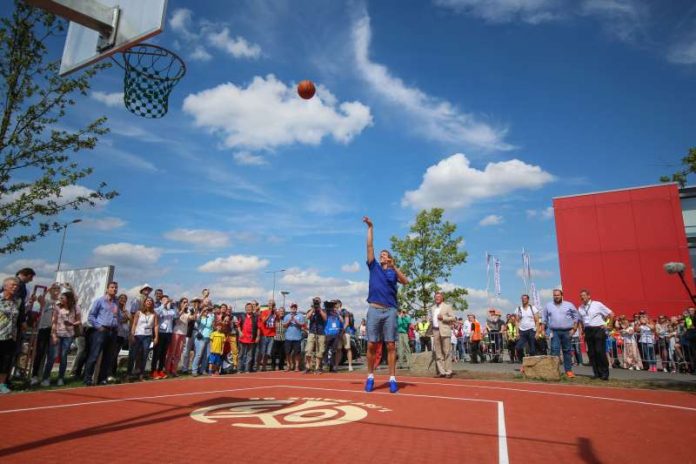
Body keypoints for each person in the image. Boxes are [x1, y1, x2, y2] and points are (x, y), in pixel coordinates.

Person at [363, 216, 409, 394]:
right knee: (371, 345)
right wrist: (370, 227)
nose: (382, 256)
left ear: (389, 259)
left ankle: (392, 379)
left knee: (391, 345)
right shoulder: (373, 266)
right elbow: (369, 246)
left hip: (390, 310)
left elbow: (405, 281)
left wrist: (394, 266)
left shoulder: (392, 271)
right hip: (374, 309)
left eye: (385, 255)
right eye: (381, 255)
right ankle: (370, 376)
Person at [84, 281, 122, 386]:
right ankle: (87, 378)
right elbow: (91, 316)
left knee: (108, 357)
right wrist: (98, 326)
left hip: (113, 331)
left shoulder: (116, 303)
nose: (114, 289)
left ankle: (102, 378)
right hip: (101, 331)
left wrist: (118, 325)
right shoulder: (100, 301)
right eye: (112, 287)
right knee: (94, 355)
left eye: (116, 287)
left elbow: (118, 316)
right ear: (107, 289)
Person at [42, 288, 81, 386]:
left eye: (63, 298)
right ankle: (46, 378)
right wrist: (54, 335)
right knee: (52, 356)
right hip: (57, 334)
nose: (61, 299)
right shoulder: (57, 307)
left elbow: (79, 320)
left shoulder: (75, 308)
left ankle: (61, 378)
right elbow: (54, 322)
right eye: (61, 298)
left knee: (63, 357)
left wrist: (72, 323)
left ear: (68, 299)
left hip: (68, 335)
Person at [541, 289, 578, 379]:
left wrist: (574, 329)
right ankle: (555, 371)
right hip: (554, 332)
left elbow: (576, 317)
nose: (556, 297)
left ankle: (568, 371)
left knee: (567, 351)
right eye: (554, 295)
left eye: (558, 295)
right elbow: (544, 318)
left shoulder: (569, 305)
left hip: (567, 331)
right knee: (554, 351)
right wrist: (542, 330)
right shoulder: (548, 306)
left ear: (562, 295)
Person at [578, 289, 613, 380]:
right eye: (581, 296)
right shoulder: (580, 307)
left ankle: (605, 373)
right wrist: (582, 330)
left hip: (598, 329)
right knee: (592, 353)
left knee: (599, 351)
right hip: (588, 330)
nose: (582, 297)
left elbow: (611, 314)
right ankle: (596, 373)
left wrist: (608, 325)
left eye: (584, 295)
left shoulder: (597, 304)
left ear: (589, 296)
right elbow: (581, 320)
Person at [30, 283, 59, 386]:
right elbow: (40, 298)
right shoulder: (47, 302)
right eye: (54, 290)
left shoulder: (60, 302)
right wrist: (49, 288)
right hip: (44, 329)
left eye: (57, 290)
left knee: (52, 355)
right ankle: (35, 376)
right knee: (40, 353)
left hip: (55, 331)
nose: (56, 291)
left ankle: (46, 377)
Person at [0, 277, 22, 394]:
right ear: (5, 286)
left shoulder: (16, 301)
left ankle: (2, 385)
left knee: (6, 361)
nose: (15, 287)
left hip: (10, 336)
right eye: (12, 285)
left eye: (16, 286)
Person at [130, 296, 158, 381]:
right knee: (133, 354)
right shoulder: (139, 313)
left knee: (145, 355)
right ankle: (129, 374)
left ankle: (141, 374)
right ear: (144, 302)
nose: (149, 302)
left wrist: (156, 337)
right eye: (147, 301)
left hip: (148, 336)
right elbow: (134, 324)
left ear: (152, 303)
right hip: (138, 335)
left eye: (150, 301)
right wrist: (132, 334)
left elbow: (156, 326)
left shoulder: (154, 314)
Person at [127, 284, 152, 377]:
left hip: (145, 330)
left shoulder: (149, 300)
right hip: (136, 328)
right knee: (133, 351)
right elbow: (133, 313)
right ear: (142, 290)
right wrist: (133, 329)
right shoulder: (137, 299)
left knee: (142, 352)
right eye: (145, 289)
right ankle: (129, 372)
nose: (147, 290)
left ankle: (137, 370)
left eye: (149, 289)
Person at [430, 292, 456, 378]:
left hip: (445, 331)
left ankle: (448, 371)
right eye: (435, 297)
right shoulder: (432, 308)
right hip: (435, 331)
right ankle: (442, 371)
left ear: (442, 298)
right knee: (438, 352)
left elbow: (453, 318)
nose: (437, 298)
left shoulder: (447, 306)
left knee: (447, 352)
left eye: (438, 297)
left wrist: (443, 318)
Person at [152, 295, 176, 379]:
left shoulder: (171, 311)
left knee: (163, 353)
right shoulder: (158, 308)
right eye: (164, 299)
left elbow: (176, 315)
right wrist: (163, 305)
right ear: (161, 301)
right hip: (160, 333)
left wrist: (173, 305)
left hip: (168, 333)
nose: (167, 301)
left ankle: (160, 370)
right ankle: (153, 371)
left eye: (167, 299)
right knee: (157, 353)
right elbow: (156, 313)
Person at [166, 297, 190, 377]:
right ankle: (167, 370)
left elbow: (193, 318)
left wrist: (196, 309)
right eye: (184, 302)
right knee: (171, 353)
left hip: (183, 333)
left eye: (186, 302)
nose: (185, 303)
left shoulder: (188, 312)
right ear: (180, 303)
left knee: (178, 353)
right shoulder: (176, 310)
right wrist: (182, 309)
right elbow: (176, 318)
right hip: (175, 332)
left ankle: (174, 370)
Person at [515, 295, 539, 365]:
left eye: (525, 299)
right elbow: (517, 321)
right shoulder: (518, 309)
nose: (523, 300)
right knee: (518, 347)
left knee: (532, 349)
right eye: (522, 299)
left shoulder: (533, 308)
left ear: (528, 300)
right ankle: (523, 362)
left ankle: (533, 365)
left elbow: (537, 321)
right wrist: (517, 332)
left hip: (532, 330)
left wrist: (537, 332)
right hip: (522, 331)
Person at [305, 297, 327, 373]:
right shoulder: (311, 310)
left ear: (320, 302)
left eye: (317, 302)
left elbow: (325, 318)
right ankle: (308, 367)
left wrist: (319, 309)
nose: (316, 303)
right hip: (312, 332)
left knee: (320, 351)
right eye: (315, 302)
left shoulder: (323, 310)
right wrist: (313, 309)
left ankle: (317, 367)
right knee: (308, 350)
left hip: (321, 333)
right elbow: (307, 317)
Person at [192, 304, 214, 376]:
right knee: (198, 354)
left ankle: (203, 370)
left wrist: (210, 309)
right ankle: (194, 370)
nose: (206, 311)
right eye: (205, 310)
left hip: (208, 338)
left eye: (207, 310)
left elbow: (213, 323)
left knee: (207, 355)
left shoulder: (210, 317)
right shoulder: (200, 318)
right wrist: (201, 312)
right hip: (201, 338)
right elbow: (196, 319)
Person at [238, 302, 259, 374]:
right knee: (241, 354)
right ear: (245, 308)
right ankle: (239, 369)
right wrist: (240, 332)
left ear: (252, 309)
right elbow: (238, 325)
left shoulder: (256, 317)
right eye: (247, 308)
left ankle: (247, 369)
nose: (248, 309)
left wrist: (258, 337)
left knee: (249, 355)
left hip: (251, 339)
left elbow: (258, 328)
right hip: (242, 339)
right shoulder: (242, 316)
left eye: (250, 307)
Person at [283, 303, 304, 372]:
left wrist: (296, 321)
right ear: (290, 308)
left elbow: (302, 325)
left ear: (296, 308)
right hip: (288, 338)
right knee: (287, 353)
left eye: (295, 307)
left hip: (297, 338)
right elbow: (284, 326)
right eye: (292, 307)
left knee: (297, 353)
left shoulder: (300, 316)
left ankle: (297, 366)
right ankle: (288, 366)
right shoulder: (287, 316)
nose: (293, 309)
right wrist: (289, 321)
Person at [324, 301, 344, 372]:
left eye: (336, 307)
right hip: (328, 334)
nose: (335, 308)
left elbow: (342, 321)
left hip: (336, 335)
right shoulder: (327, 313)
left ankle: (332, 366)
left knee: (334, 351)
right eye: (334, 307)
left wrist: (338, 313)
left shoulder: (338, 315)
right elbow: (324, 316)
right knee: (326, 349)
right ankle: (325, 363)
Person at [257, 300, 277, 372]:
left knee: (267, 353)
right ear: (268, 305)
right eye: (270, 304)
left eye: (273, 304)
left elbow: (278, 319)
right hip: (264, 334)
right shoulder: (264, 311)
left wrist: (275, 312)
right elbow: (263, 321)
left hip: (271, 335)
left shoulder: (275, 313)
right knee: (262, 352)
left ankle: (264, 367)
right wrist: (269, 313)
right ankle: (258, 366)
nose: (271, 305)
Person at [337, 301, 355, 371]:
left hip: (345, 332)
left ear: (339, 304)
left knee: (348, 348)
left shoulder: (345, 312)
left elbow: (346, 323)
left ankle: (350, 365)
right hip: (338, 333)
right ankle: (336, 365)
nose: (335, 305)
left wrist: (342, 330)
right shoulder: (334, 313)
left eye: (336, 304)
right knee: (338, 349)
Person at [271, 307, 286, 371]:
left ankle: (281, 366)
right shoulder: (275, 318)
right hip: (276, 337)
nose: (282, 312)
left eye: (283, 311)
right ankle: (273, 366)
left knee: (282, 354)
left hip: (283, 338)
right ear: (278, 312)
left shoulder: (285, 319)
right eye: (280, 311)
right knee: (273, 353)